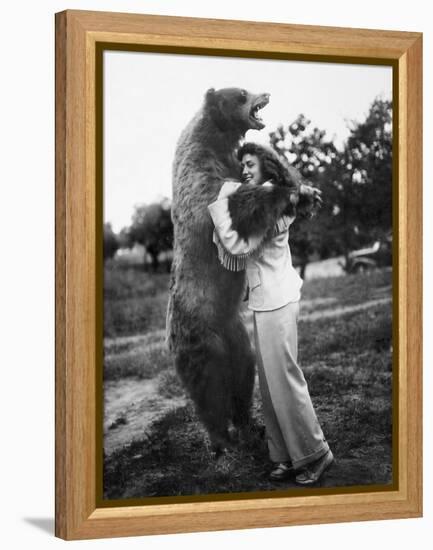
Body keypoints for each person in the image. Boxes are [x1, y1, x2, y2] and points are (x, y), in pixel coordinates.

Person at [207, 142, 334, 485]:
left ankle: (316, 453)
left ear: (267, 166)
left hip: (277, 299)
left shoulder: (272, 201)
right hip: (266, 301)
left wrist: (220, 202)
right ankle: (286, 456)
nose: (244, 170)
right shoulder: (266, 198)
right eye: (242, 166)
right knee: (271, 384)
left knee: (286, 381)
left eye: (250, 164)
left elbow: (237, 245)